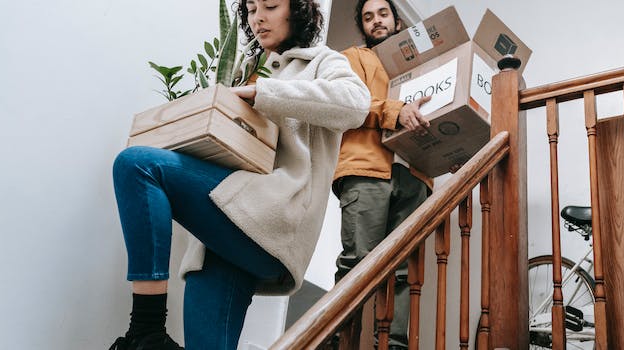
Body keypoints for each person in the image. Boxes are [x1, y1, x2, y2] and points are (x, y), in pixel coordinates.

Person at [108, 0, 370, 348]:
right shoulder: (245, 67)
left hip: (269, 219)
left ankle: (146, 327)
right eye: (250, 9)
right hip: (222, 231)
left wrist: (263, 92)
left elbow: (356, 104)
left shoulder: (323, 60)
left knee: (137, 164)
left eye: (271, 5)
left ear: (298, 11)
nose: (258, 17)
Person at [333, 0, 432, 349]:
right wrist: (396, 111)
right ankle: (336, 341)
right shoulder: (351, 58)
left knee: (403, 273)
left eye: (383, 13)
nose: (376, 21)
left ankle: (394, 345)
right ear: (363, 26)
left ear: (397, 19)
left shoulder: (421, 62)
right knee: (357, 265)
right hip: (366, 170)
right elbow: (348, 104)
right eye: (368, 17)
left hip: (414, 174)